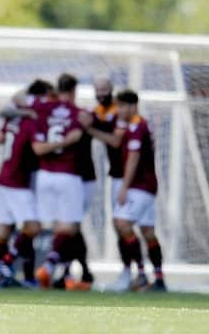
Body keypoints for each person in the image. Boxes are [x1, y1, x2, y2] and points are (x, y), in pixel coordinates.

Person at [0, 80, 53, 289]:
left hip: (6, 178)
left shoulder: (15, 117)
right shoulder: (31, 119)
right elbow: (38, 149)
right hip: (18, 182)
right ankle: (6, 265)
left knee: (3, 230)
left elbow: (0, 138)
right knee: (32, 228)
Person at [31, 73, 92, 291]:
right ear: (75, 92)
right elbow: (78, 134)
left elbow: (37, 149)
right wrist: (68, 140)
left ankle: (65, 274)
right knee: (70, 227)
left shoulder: (43, 110)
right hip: (69, 175)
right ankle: (50, 266)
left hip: (45, 176)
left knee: (60, 227)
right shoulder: (79, 114)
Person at [85, 76, 136, 290]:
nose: (102, 93)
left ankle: (136, 272)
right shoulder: (98, 111)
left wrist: (91, 130)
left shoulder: (120, 111)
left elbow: (115, 141)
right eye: (98, 90)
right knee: (120, 226)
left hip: (130, 178)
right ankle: (131, 272)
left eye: (105, 89)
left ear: (112, 90)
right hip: (116, 176)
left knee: (128, 226)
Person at [114, 89, 166, 292]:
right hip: (147, 186)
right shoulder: (137, 125)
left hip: (140, 186)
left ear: (132, 106)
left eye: (121, 106)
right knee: (148, 232)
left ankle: (142, 273)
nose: (119, 110)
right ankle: (159, 279)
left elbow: (134, 158)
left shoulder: (137, 125)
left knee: (122, 224)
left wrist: (124, 188)